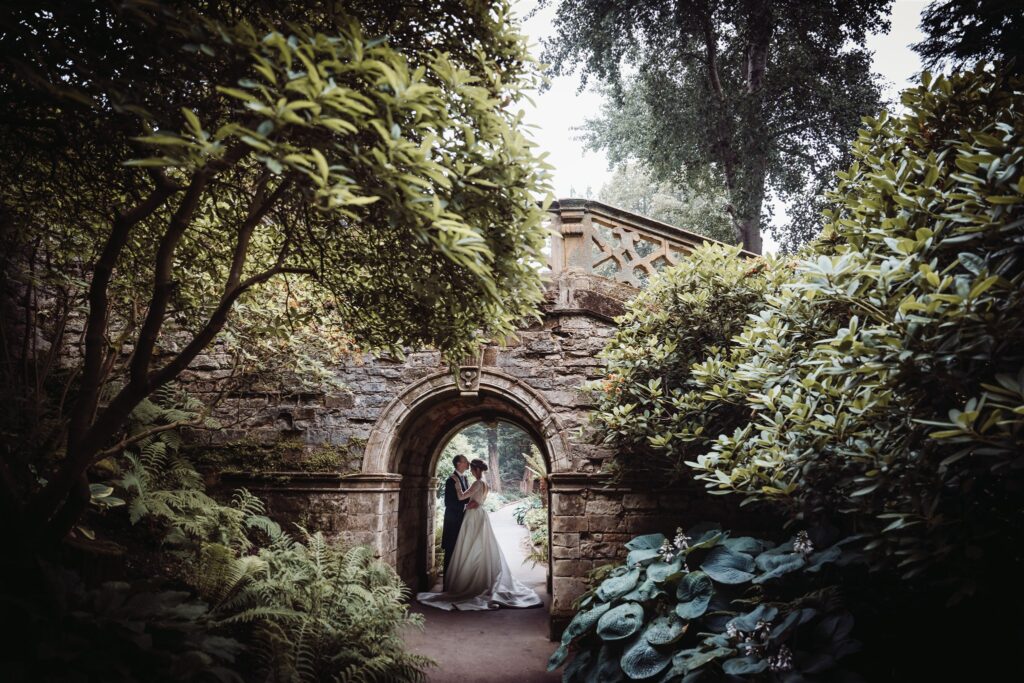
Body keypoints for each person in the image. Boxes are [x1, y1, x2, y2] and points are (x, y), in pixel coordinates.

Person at [418, 458, 542, 611]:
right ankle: (481, 580)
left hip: (472, 516)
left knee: (471, 545)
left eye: (471, 468)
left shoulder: (475, 483)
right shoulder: (484, 483)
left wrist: (457, 486)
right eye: (466, 465)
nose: (469, 469)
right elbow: (478, 500)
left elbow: (461, 497)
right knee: (481, 546)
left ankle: (470, 582)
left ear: (476, 470)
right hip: (480, 515)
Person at [441, 454, 472, 590]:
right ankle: (447, 584)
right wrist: (465, 506)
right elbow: (448, 502)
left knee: (461, 550)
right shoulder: (450, 480)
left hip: (463, 519)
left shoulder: (465, 478)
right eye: (465, 462)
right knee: (450, 550)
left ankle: (458, 582)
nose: (468, 463)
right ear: (458, 464)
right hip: (453, 520)